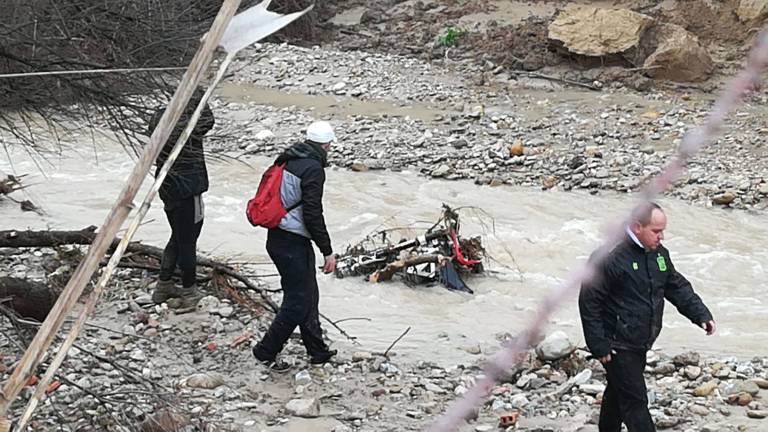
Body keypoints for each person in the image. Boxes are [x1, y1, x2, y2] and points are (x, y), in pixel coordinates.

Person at [578, 202, 716, 432]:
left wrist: (700, 314)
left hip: (641, 340)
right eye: (656, 231)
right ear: (636, 227)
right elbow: (589, 302)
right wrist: (598, 344)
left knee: (617, 393)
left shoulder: (658, 255)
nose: (661, 236)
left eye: (663, 231)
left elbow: (675, 286)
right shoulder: (609, 257)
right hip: (616, 344)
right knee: (635, 401)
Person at [252, 120, 338, 368]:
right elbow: (312, 213)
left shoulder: (288, 158)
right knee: (298, 300)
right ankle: (265, 350)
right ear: (326, 144)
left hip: (278, 238)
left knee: (307, 294)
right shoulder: (313, 169)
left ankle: (317, 351)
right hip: (293, 242)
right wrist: (327, 250)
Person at [148, 88, 215, 307]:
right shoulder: (192, 121)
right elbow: (208, 121)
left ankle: (163, 285)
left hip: (167, 185)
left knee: (177, 236)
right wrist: (199, 99)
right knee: (188, 240)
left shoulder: (161, 115)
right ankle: (189, 291)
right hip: (188, 187)